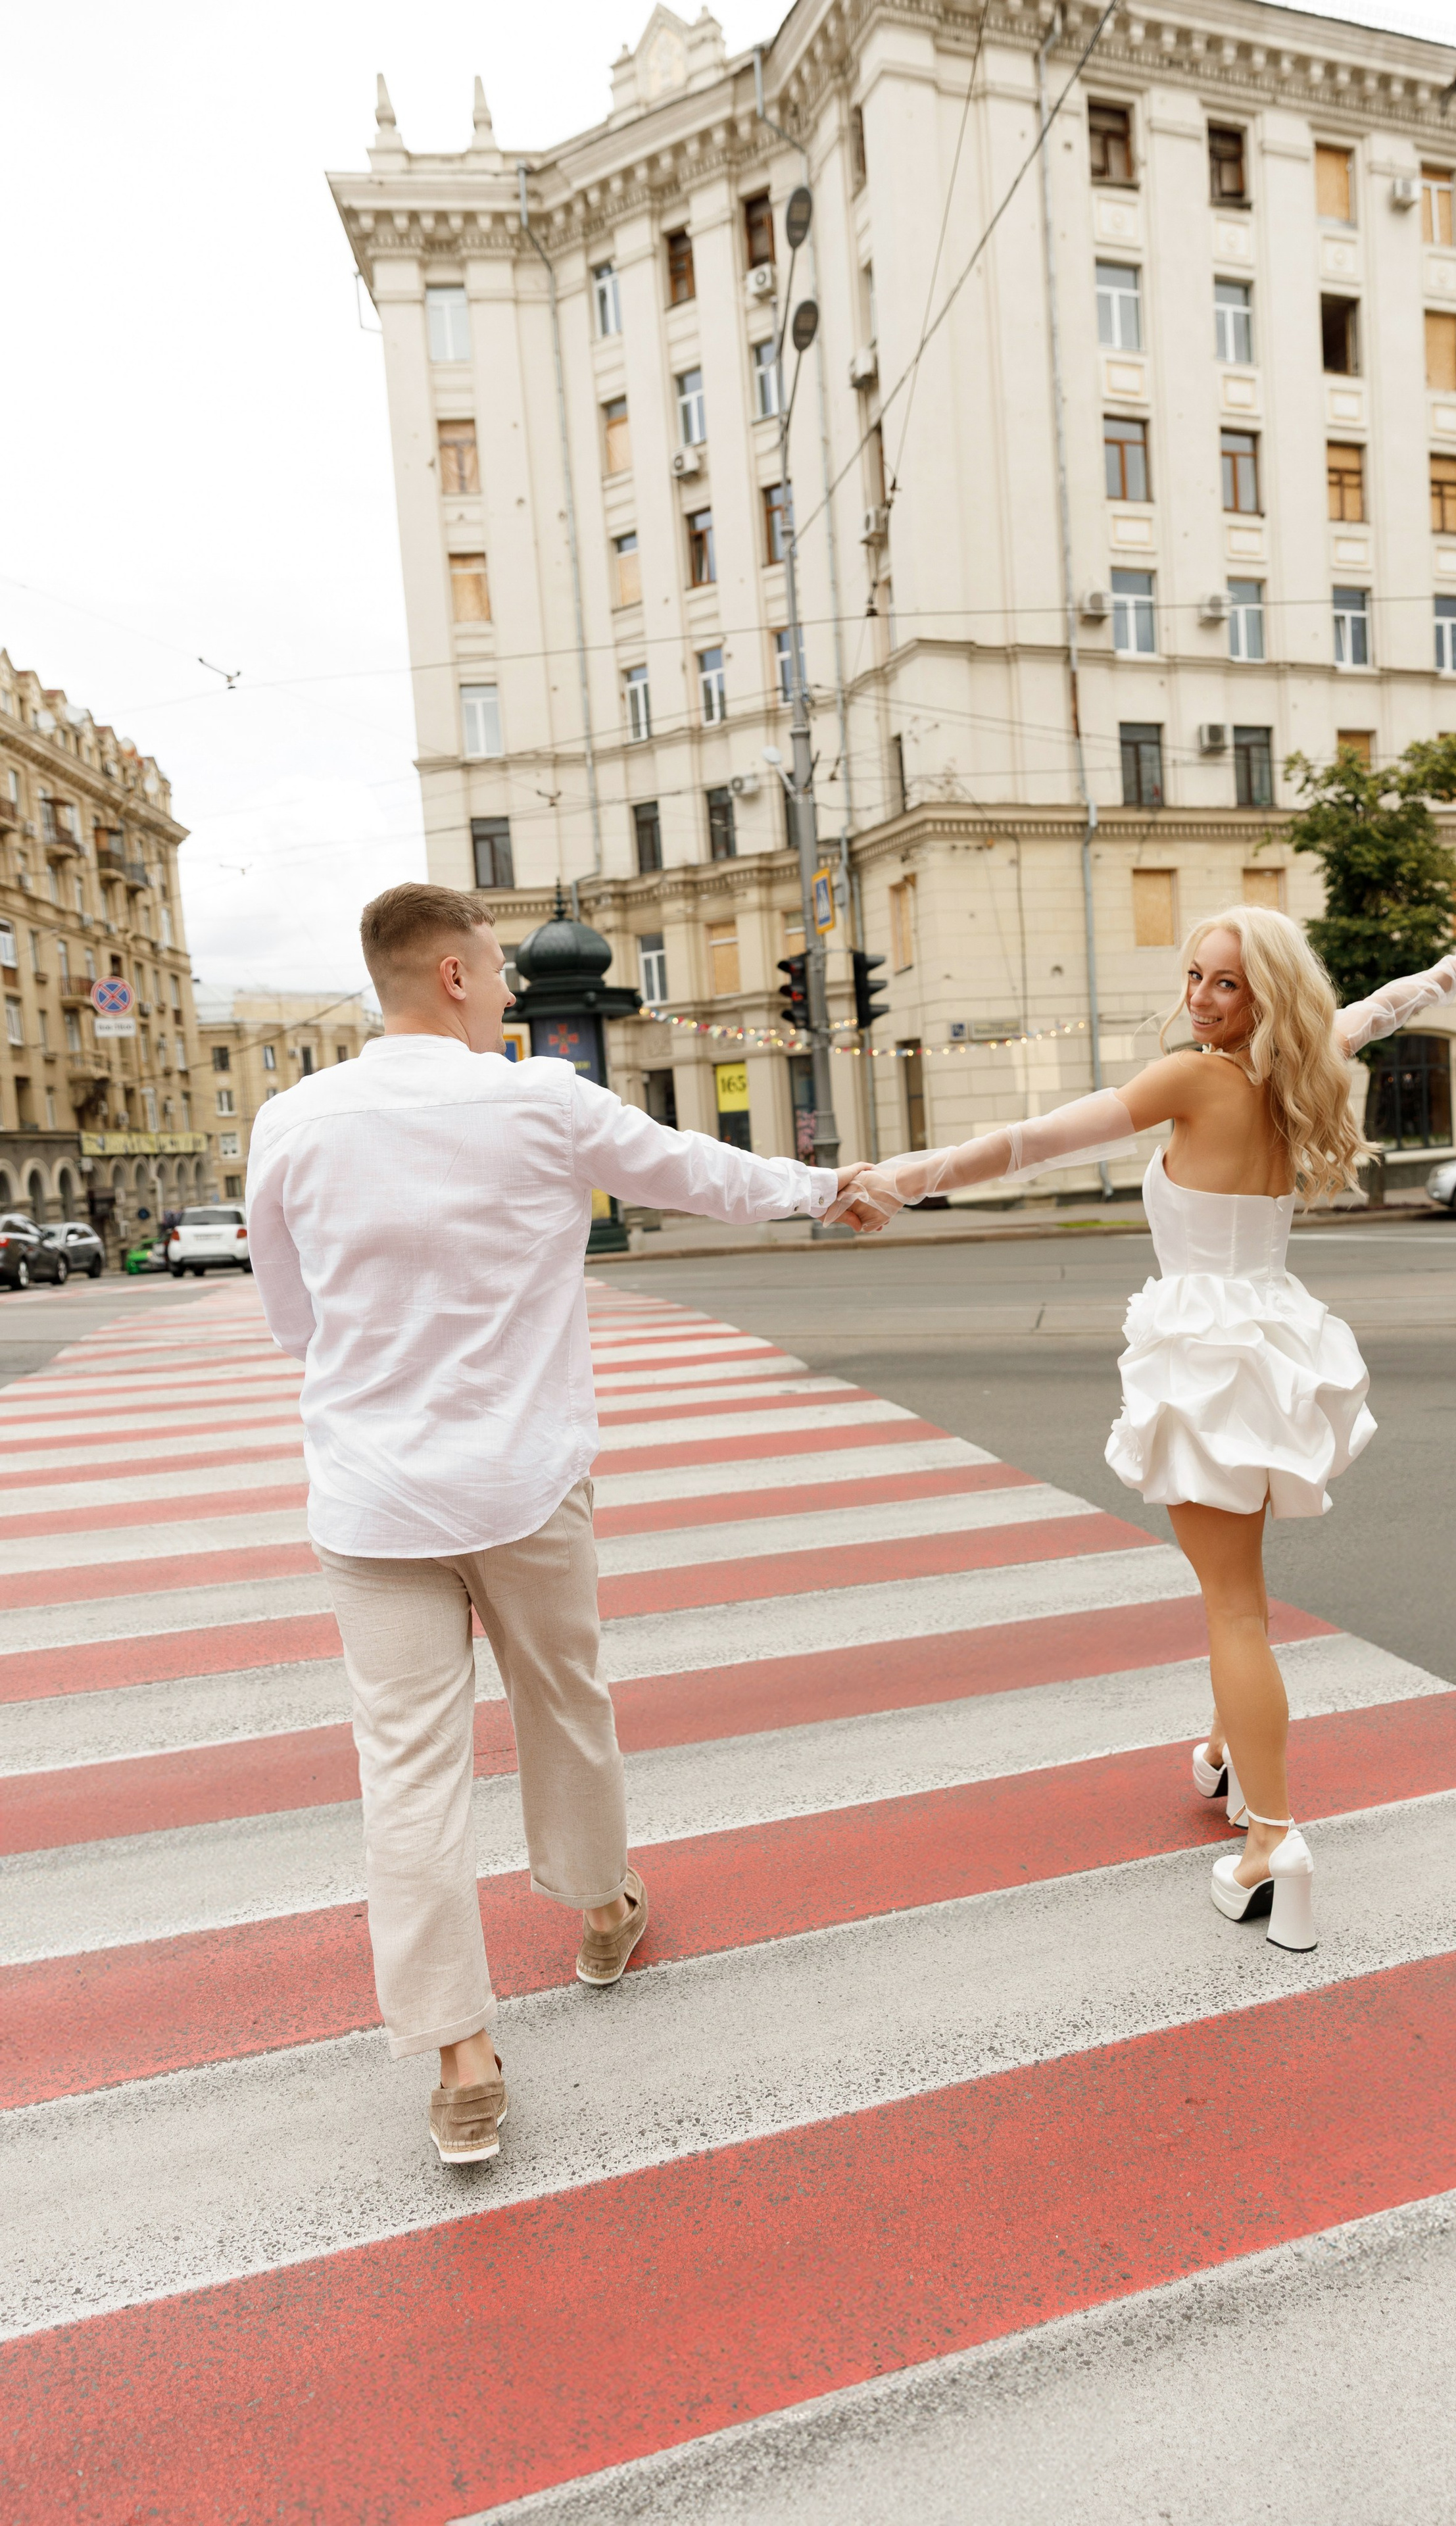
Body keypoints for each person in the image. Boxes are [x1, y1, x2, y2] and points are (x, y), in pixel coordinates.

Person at [246, 883, 868, 2164]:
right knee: (564, 1697)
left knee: (403, 1776)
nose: (511, 991)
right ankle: (599, 1907)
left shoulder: (291, 1122)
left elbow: (289, 1320)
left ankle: (461, 2060)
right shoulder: (535, 1101)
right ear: (458, 976)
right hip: (522, 1480)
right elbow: (703, 1176)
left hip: (369, 1499)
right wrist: (833, 1191)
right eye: (497, 965)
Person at [835, 908, 1456, 1953]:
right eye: (1196, 976)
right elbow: (1382, 1010)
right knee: (1232, 1589)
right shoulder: (1304, 1063)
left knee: (1234, 1607)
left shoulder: (1196, 1079)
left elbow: (1032, 1142)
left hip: (1208, 1356)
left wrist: (902, 1177)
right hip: (1270, 1339)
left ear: (1266, 999)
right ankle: (1227, 1752)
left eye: (1228, 985)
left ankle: (1275, 1845)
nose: (1202, 999)